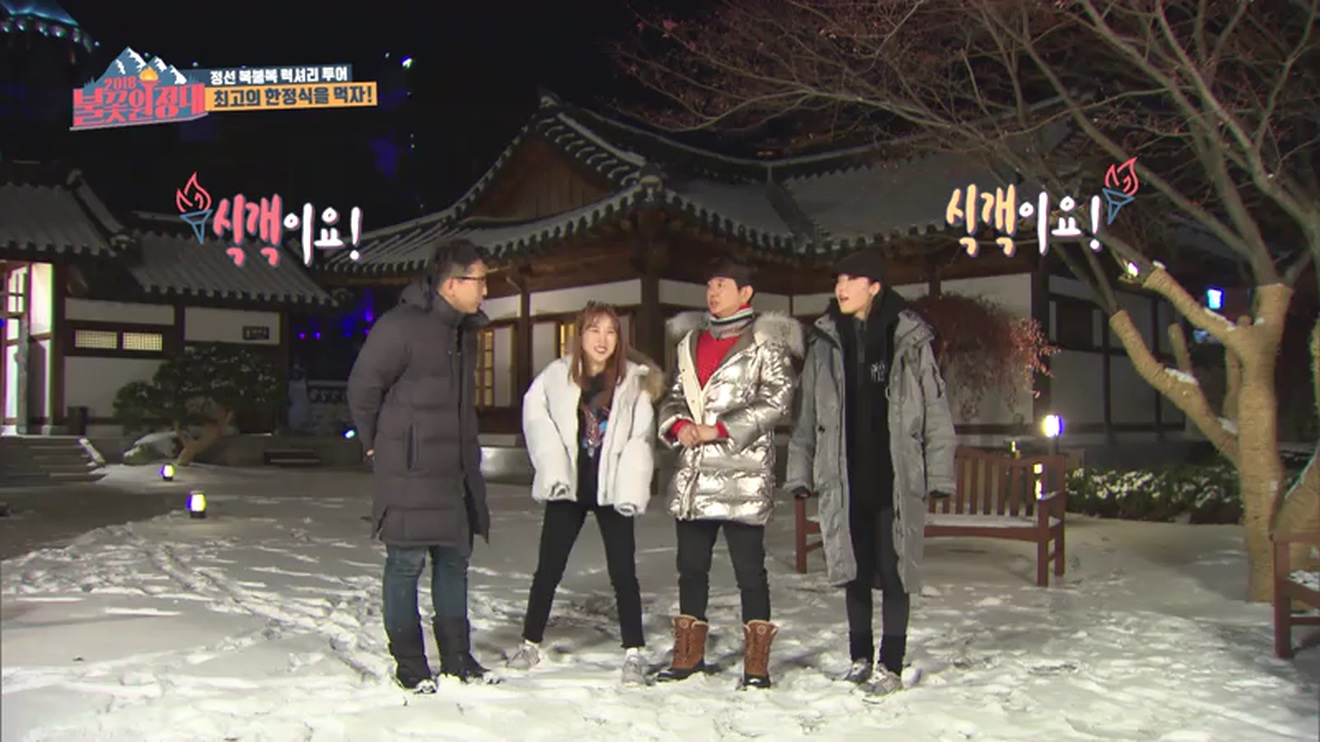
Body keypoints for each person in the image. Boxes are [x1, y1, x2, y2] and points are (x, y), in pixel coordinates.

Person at [785, 248, 956, 696]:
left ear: (875, 287)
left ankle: (891, 663)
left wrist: (939, 474)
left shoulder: (908, 338)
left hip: (895, 476)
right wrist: (800, 472)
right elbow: (806, 416)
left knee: (895, 569)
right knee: (853, 569)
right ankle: (859, 657)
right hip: (844, 477)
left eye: (851, 280)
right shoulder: (825, 343)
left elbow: (936, 410)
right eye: (838, 280)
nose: (840, 288)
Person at [346, 239, 492, 694]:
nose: (485, 290)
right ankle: (409, 661)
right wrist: (375, 444)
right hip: (409, 468)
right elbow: (363, 388)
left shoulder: (465, 331)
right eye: (479, 280)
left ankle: (457, 656)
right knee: (405, 562)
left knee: (454, 561)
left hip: (454, 469)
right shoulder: (400, 327)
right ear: (451, 283)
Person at [654, 259, 802, 689]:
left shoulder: (764, 342)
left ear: (745, 293)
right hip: (696, 474)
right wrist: (678, 425)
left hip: (742, 475)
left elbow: (778, 400)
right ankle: (688, 658)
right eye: (710, 285)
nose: (713, 292)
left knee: (749, 572)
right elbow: (674, 395)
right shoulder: (691, 341)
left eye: (722, 284)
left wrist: (718, 429)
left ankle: (756, 667)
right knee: (691, 568)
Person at [506, 302, 664, 685]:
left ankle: (633, 652)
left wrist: (631, 485)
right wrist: (552, 465)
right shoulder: (557, 376)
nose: (602, 340)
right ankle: (530, 643)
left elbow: (641, 436)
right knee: (549, 568)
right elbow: (535, 416)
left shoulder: (632, 381)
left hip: (613, 487)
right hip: (569, 485)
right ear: (580, 335)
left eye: (610, 332)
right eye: (594, 330)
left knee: (623, 572)